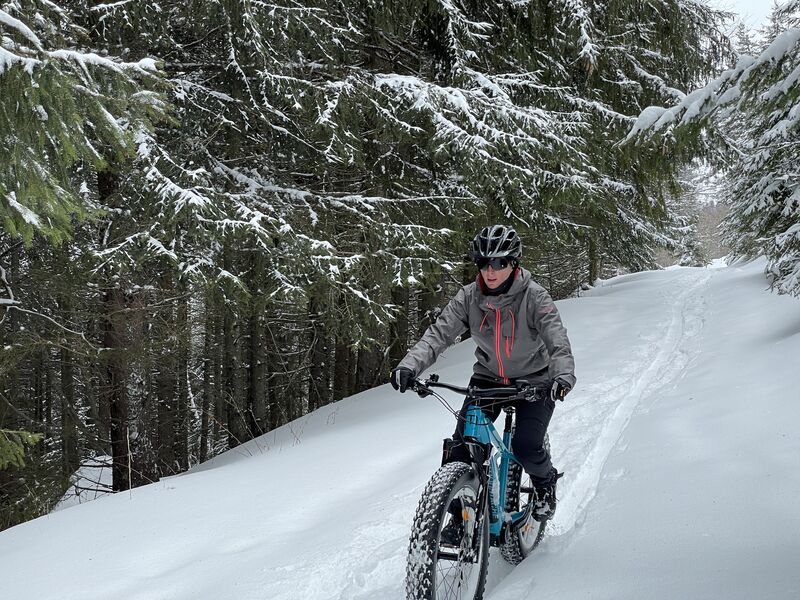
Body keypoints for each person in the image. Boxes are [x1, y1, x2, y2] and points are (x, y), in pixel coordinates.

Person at [390, 224, 576, 526]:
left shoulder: (535, 297)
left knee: (526, 447)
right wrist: (410, 366)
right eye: (484, 263)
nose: (491, 271)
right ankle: (460, 520)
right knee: (461, 450)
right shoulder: (469, 297)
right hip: (488, 379)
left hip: (535, 381)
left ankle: (545, 485)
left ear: (513, 263)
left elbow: (557, 340)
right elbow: (439, 334)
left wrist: (562, 376)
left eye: (499, 263)